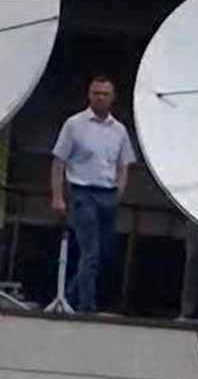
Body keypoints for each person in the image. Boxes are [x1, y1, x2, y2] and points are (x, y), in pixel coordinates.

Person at [50, 75, 137, 313]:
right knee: (91, 250)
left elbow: (124, 163)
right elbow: (58, 161)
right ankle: (85, 304)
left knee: (102, 252)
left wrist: (120, 189)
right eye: (96, 93)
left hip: (107, 194)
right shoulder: (74, 124)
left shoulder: (118, 130)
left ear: (112, 97)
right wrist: (57, 196)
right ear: (89, 95)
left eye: (105, 94)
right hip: (82, 191)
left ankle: (68, 295)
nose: (100, 98)